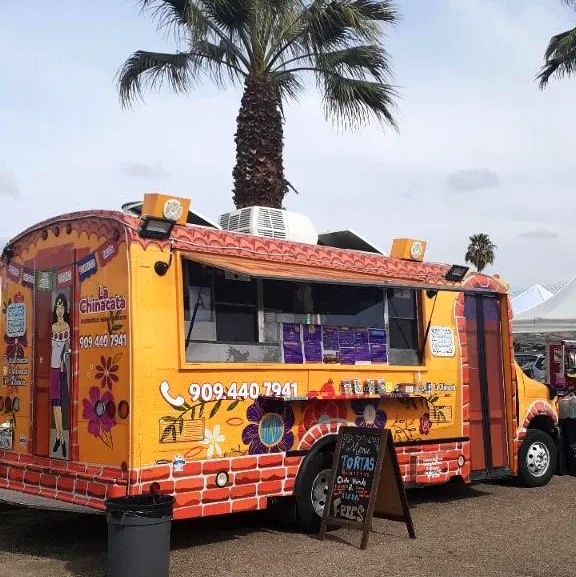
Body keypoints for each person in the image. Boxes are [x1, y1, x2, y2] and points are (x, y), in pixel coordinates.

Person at [51, 293, 70, 458]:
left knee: (60, 407)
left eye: (62, 306)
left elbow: (67, 351)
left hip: (61, 369)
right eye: (58, 306)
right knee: (54, 406)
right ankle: (59, 437)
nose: (60, 309)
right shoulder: (52, 328)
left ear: (65, 309)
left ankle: (62, 438)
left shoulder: (67, 328)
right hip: (52, 368)